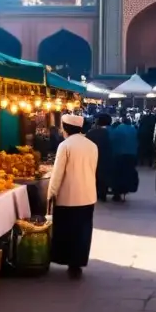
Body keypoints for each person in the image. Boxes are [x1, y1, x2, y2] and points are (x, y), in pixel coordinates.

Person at [48, 114, 99, 279]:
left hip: (68, 196)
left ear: (65, 127)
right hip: (88, 195)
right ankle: (77, 263)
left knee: (67, 231)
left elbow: (57, 173)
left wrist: (51, 193)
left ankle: (68, 260)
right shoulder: (92, 145)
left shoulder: (65, 145)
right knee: (82, 231)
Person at [109, 116, 139, 202]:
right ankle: (125, 190)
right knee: (127, 174)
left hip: (119, 155)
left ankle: (117, 193)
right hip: (131, 155)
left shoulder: (117, 129)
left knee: (118, 175)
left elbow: (112, 141)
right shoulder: (133, 129)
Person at [85, 113, 114, 202]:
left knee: (96, 176)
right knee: (104, 176)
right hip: (108, 158)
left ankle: (96, 193)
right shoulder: (113, 131)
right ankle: (103, 193)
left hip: (94, 158)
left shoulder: (91, 133)